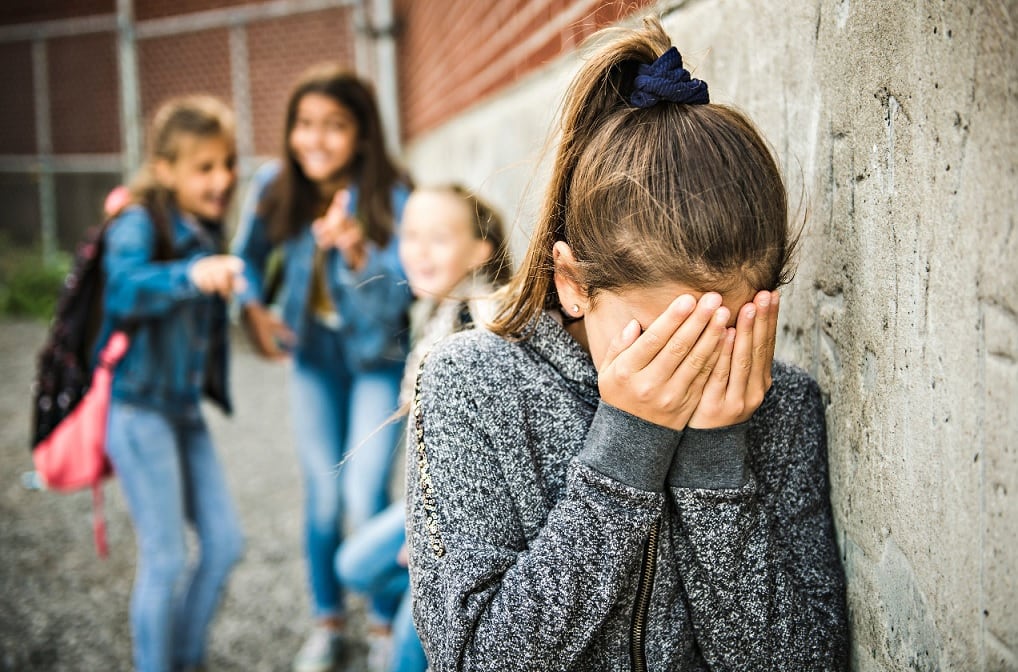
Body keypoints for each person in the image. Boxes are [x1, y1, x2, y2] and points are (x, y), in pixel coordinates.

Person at [406, 18, 849, 672]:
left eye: (720, 333)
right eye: (662, 338)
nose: (691, 367)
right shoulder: (470, 385)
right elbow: (474, 660)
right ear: (573, 283)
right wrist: (627, 448)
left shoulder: (781, 408)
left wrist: (717, 460)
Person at [231, 63, 413, 672]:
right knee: (324, 499)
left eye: (334, 126)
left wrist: (357, 250)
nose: (315, 138)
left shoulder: (393, 197)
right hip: (313, 360)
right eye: (305, 124)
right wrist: (252, 309)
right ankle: (328, 620)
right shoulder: (274, 185)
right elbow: (245, 260)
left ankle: (389, 616)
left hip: (375, 362)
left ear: (362, 135)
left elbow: (397, 303)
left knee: (364, 497)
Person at [336, 184, 512, 672]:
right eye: (410, 235)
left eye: (438, 237)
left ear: (480, 251)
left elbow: (489, 451)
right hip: (431, 503)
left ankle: (439, 620)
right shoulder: (436, 310)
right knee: (354, 566)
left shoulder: (483, 322)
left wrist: (430, 539)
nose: (418, 251)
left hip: (466, 518)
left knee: (409, 654)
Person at [100, 95, 245, 672]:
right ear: (166, 169)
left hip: (183, 411)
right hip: (138, 411)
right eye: (204, 166)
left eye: (227, 163)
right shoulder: (139, 221)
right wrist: (190, 273)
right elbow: (123, 289)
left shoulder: (207, 228)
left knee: (226, 544)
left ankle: (183, 658)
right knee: (164, 558)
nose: (222, 178)